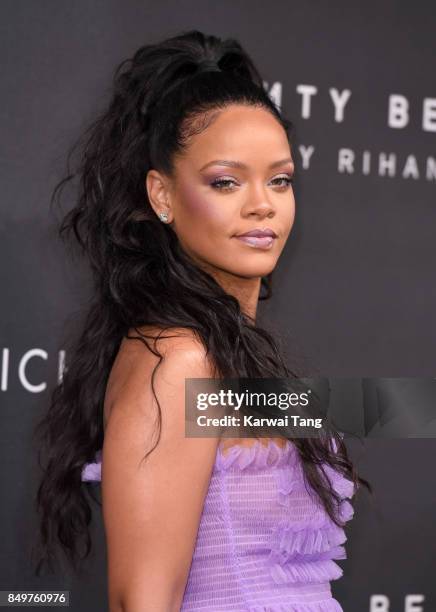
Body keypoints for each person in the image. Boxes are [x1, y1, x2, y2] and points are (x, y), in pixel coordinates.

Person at [34, 29, 370, 611]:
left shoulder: (224, 355)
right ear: (161, 195)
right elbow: (140, 603)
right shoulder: (179, 359)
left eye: (281, 179)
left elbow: (346, 408)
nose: (262, 203)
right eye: (225, 181)